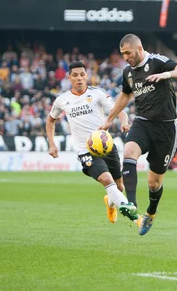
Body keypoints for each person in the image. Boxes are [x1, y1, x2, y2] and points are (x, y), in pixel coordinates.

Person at [100, 34, 177, 236]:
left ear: (139, 49)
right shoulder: (128, 72)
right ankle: (131, 204)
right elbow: (124, 96)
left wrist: (166, 75)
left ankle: (151, 212)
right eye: (122, 53)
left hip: (167, 128)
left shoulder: (158, 62)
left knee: (154, 182)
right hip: (142, 123)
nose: (125, 57)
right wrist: (109, 120)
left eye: (128, 53)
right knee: (129, 152)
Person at [45, 61, 138, 224]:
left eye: (82, 75)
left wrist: (124, 122)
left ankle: (110, 202)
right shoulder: (62, 100)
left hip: (106, 146)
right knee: (106, 180)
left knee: (119, 186)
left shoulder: (98, 94)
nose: (79, 78)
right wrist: (51, 143)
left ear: (87, 76)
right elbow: (51, 120)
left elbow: (119, 110)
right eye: (75, 75)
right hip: (86, 150)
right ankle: (129, 209)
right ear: (69, 78)